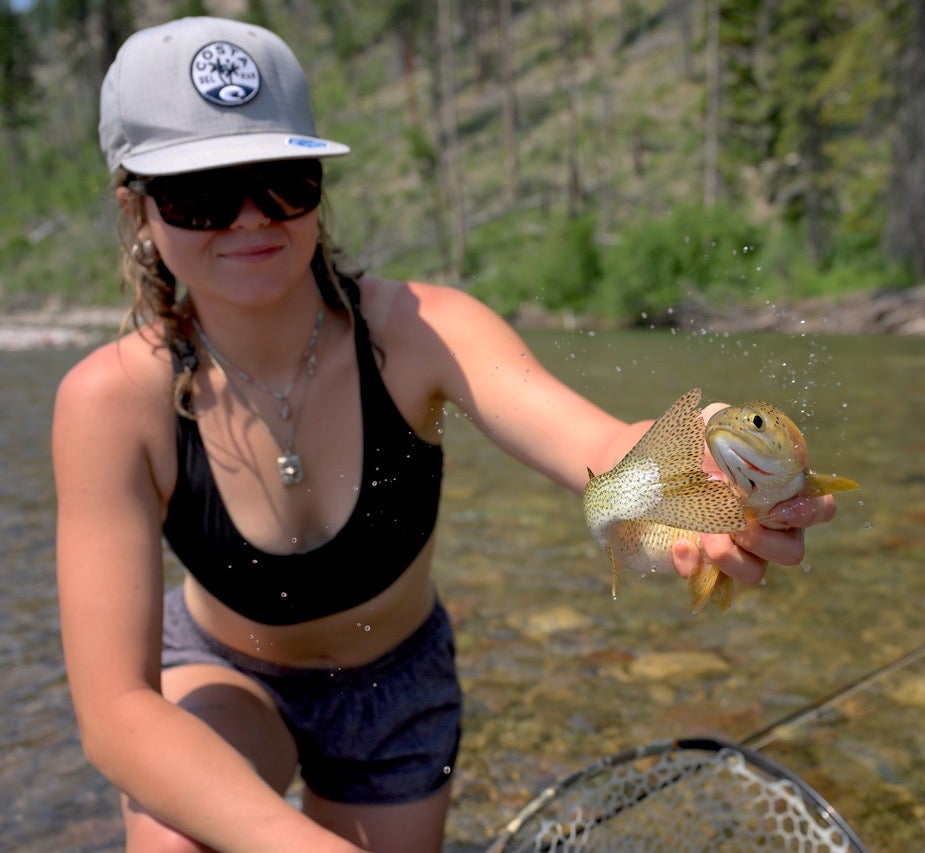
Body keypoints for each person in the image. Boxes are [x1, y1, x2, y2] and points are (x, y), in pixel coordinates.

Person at [53, 16, 838, 853]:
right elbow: (116, 715)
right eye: (200, 193)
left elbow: (605, 450)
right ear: (136, 207)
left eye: (282, 178)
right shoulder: (111, 402)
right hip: (227, 675)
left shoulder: (422, 333)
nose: (250, 218)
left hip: (398, 688)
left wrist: (701, 451)